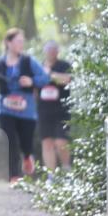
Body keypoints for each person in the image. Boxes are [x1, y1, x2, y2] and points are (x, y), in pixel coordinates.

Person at [0, 28, 49, 183]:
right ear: (8, 43)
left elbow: (44, 78)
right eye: (18, 41)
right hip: (5, 109)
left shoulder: (29, 61)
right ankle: (14, 176)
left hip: (27, 111)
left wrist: (32, 81)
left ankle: (27, 157)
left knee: (26, 143)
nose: (21, 44)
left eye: (22, 41)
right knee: (10, 141)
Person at [38, 39, 72, 172]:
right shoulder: (39, 67)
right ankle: (51, 176)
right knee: (47, 143)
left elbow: (67, 79)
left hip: (61, 111)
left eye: (54, 50)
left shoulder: (64, 65)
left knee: (61, 142)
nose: (51, 52)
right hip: (43, 111)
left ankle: (66, 169)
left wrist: (50, 75)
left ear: (58, 51)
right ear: (45, 52)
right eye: (48, 50)